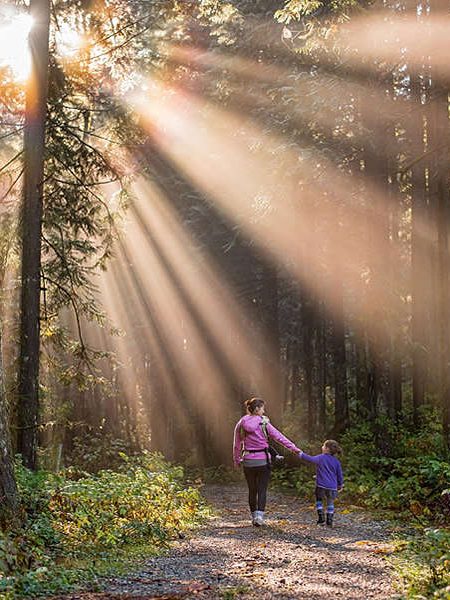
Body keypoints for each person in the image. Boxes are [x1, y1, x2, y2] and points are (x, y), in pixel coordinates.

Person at [233, 397, 302, 526]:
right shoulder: (263, 423)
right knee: (262, 489)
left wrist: (237, 460)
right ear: (257, 409)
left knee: (252, 490)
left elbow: (236, 444)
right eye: (263, 408)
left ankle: (253, 517)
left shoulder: (241, 423)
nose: (264, 411)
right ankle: (260, 517)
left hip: (248, 461)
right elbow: (280, 438)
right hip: (263, 461)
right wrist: (295, 449)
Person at [298, 439, 344, 527]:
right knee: (330, 502)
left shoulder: (321, 457)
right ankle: (329, 521)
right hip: (332, 487)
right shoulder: (336, 462)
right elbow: (339, 474)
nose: (322, 447)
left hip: (321, 486)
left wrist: (300, 454)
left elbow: (310, 459)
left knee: (319, 501)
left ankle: (321, 518)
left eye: (323, 446)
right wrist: (340, 485)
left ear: (326, 449)